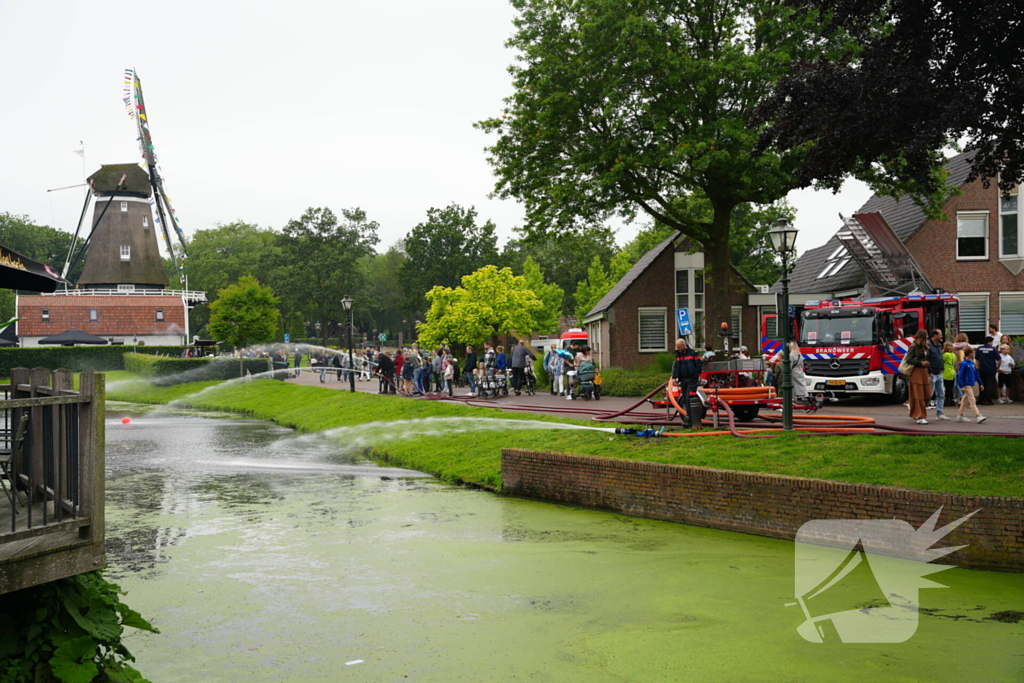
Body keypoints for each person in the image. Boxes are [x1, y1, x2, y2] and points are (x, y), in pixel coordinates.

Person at [671, 337, 703, 426]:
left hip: (691, 380)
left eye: (679, 347)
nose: (677, 349)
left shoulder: (693, 353)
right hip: (683, 380)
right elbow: (676, 367)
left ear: (683, 345)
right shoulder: (678, 355)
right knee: (685, 399)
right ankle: (688, 418)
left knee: (690, 398)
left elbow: (699, 365)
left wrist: (695, 377)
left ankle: (691, 419)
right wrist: (674, 377)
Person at [903, 329, 932, 424]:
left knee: (927, 394)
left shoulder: (925, 347)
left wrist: (930, 371)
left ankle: (915, 411)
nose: (928, 337)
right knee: (919, 395)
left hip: (924, 371)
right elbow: (908, 359)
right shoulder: (914, 346)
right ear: (923, 336)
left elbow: (927, 359)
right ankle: (920, 416)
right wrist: (920, 362)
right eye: (926, 335)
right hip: (916, 372)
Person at [956, 346, 986, 423]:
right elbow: (961, 375)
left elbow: (976, 374)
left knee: (965, 401)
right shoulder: (964, 364)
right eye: (973, 353)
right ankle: (977, 415)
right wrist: (962, 385)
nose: (974, 354)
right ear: (969, 354)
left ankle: (960, 415)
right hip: (967, 384)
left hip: (971, 383)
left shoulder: (972, 363)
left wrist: (980, 383)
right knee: (972, 400)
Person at [926, 329, 949, 420]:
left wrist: (942, 369)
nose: (942, 336)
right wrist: (929, 372)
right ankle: (919, 412)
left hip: (939, 373)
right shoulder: (928, 345)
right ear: (934, 335)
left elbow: (940, 358)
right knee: (928, 394)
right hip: (931, 374)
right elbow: (927, 359)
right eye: (940, 334)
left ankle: (940, 413)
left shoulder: (939, 345)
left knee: (941, 393)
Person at [976, 336, 999, 405]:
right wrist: (997, 367)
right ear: (989, 342)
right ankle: (988, 400)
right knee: (990, 384)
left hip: (982, 369)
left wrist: (978, 367)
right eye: (992, 342)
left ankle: (981, 399)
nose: (992, 343)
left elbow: (977, 360)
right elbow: (999, 359)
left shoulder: (979, 349)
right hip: (991, 369)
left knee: (982, 384)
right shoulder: (993, 349)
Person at [942, 341, 956, 408]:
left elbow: (941, 361)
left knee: (947, 387)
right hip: (952, 371)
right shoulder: (953, 355)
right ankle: (952, 399)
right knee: (951, 387)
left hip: (946, 372)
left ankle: (947, 400)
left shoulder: (945, 355)